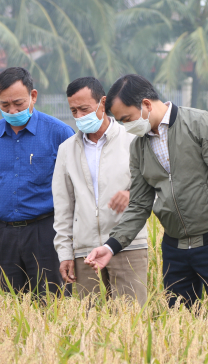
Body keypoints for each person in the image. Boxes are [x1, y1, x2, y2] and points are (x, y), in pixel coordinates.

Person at [84, 74, 208, 310]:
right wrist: (110, 246)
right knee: (178, 321)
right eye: (121, 122)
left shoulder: (199, 123)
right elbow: (139, 204)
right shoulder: (138, 147)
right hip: (174, 248)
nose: (127, 127)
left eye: (127, 119)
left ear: (146, 105)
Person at [0, 67, 74, 297]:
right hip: (6, 235)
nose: (12, 110)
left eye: (18, 103)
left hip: (47, 232)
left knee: (53, 306)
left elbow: (76, 189)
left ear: (33, 96)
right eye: (4, 105)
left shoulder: (59, 133)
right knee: (9, 308)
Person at [52, 77, 149, 305]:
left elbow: (154, 185)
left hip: (128, 246)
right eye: (73, 111)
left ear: (102, 103)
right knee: (90, 327)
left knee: (130, 323)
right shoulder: (66, 150)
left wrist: (130, 195)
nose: (79, 116)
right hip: (85, 253)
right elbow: (63, 207)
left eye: (84, 109)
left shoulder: (132, 140)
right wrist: (65, 254)